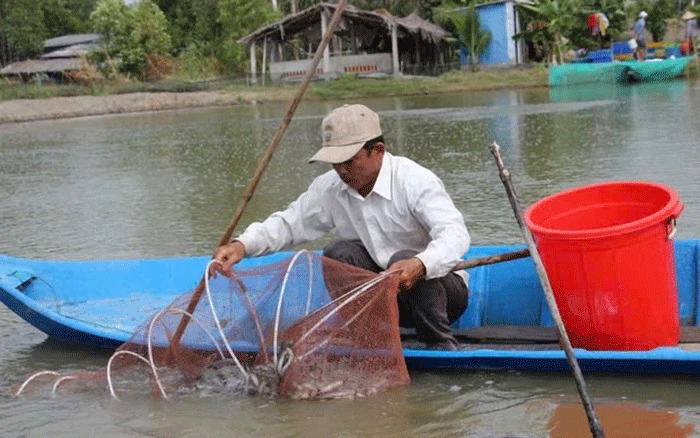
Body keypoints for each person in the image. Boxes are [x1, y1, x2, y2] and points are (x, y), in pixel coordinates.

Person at [212, 104, 471, 350]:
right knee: (340, 252)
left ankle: (439, 342)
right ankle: (369, 337)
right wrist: (242, 246)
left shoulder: (415, 181)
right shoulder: (330, 187)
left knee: (405, 257)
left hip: (441, 297)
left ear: (377, 151)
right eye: (335, 163)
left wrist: (420, 264)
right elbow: (289, 224)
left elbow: (455, 235)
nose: (341, 170)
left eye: (349, 161)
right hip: (384, 299)